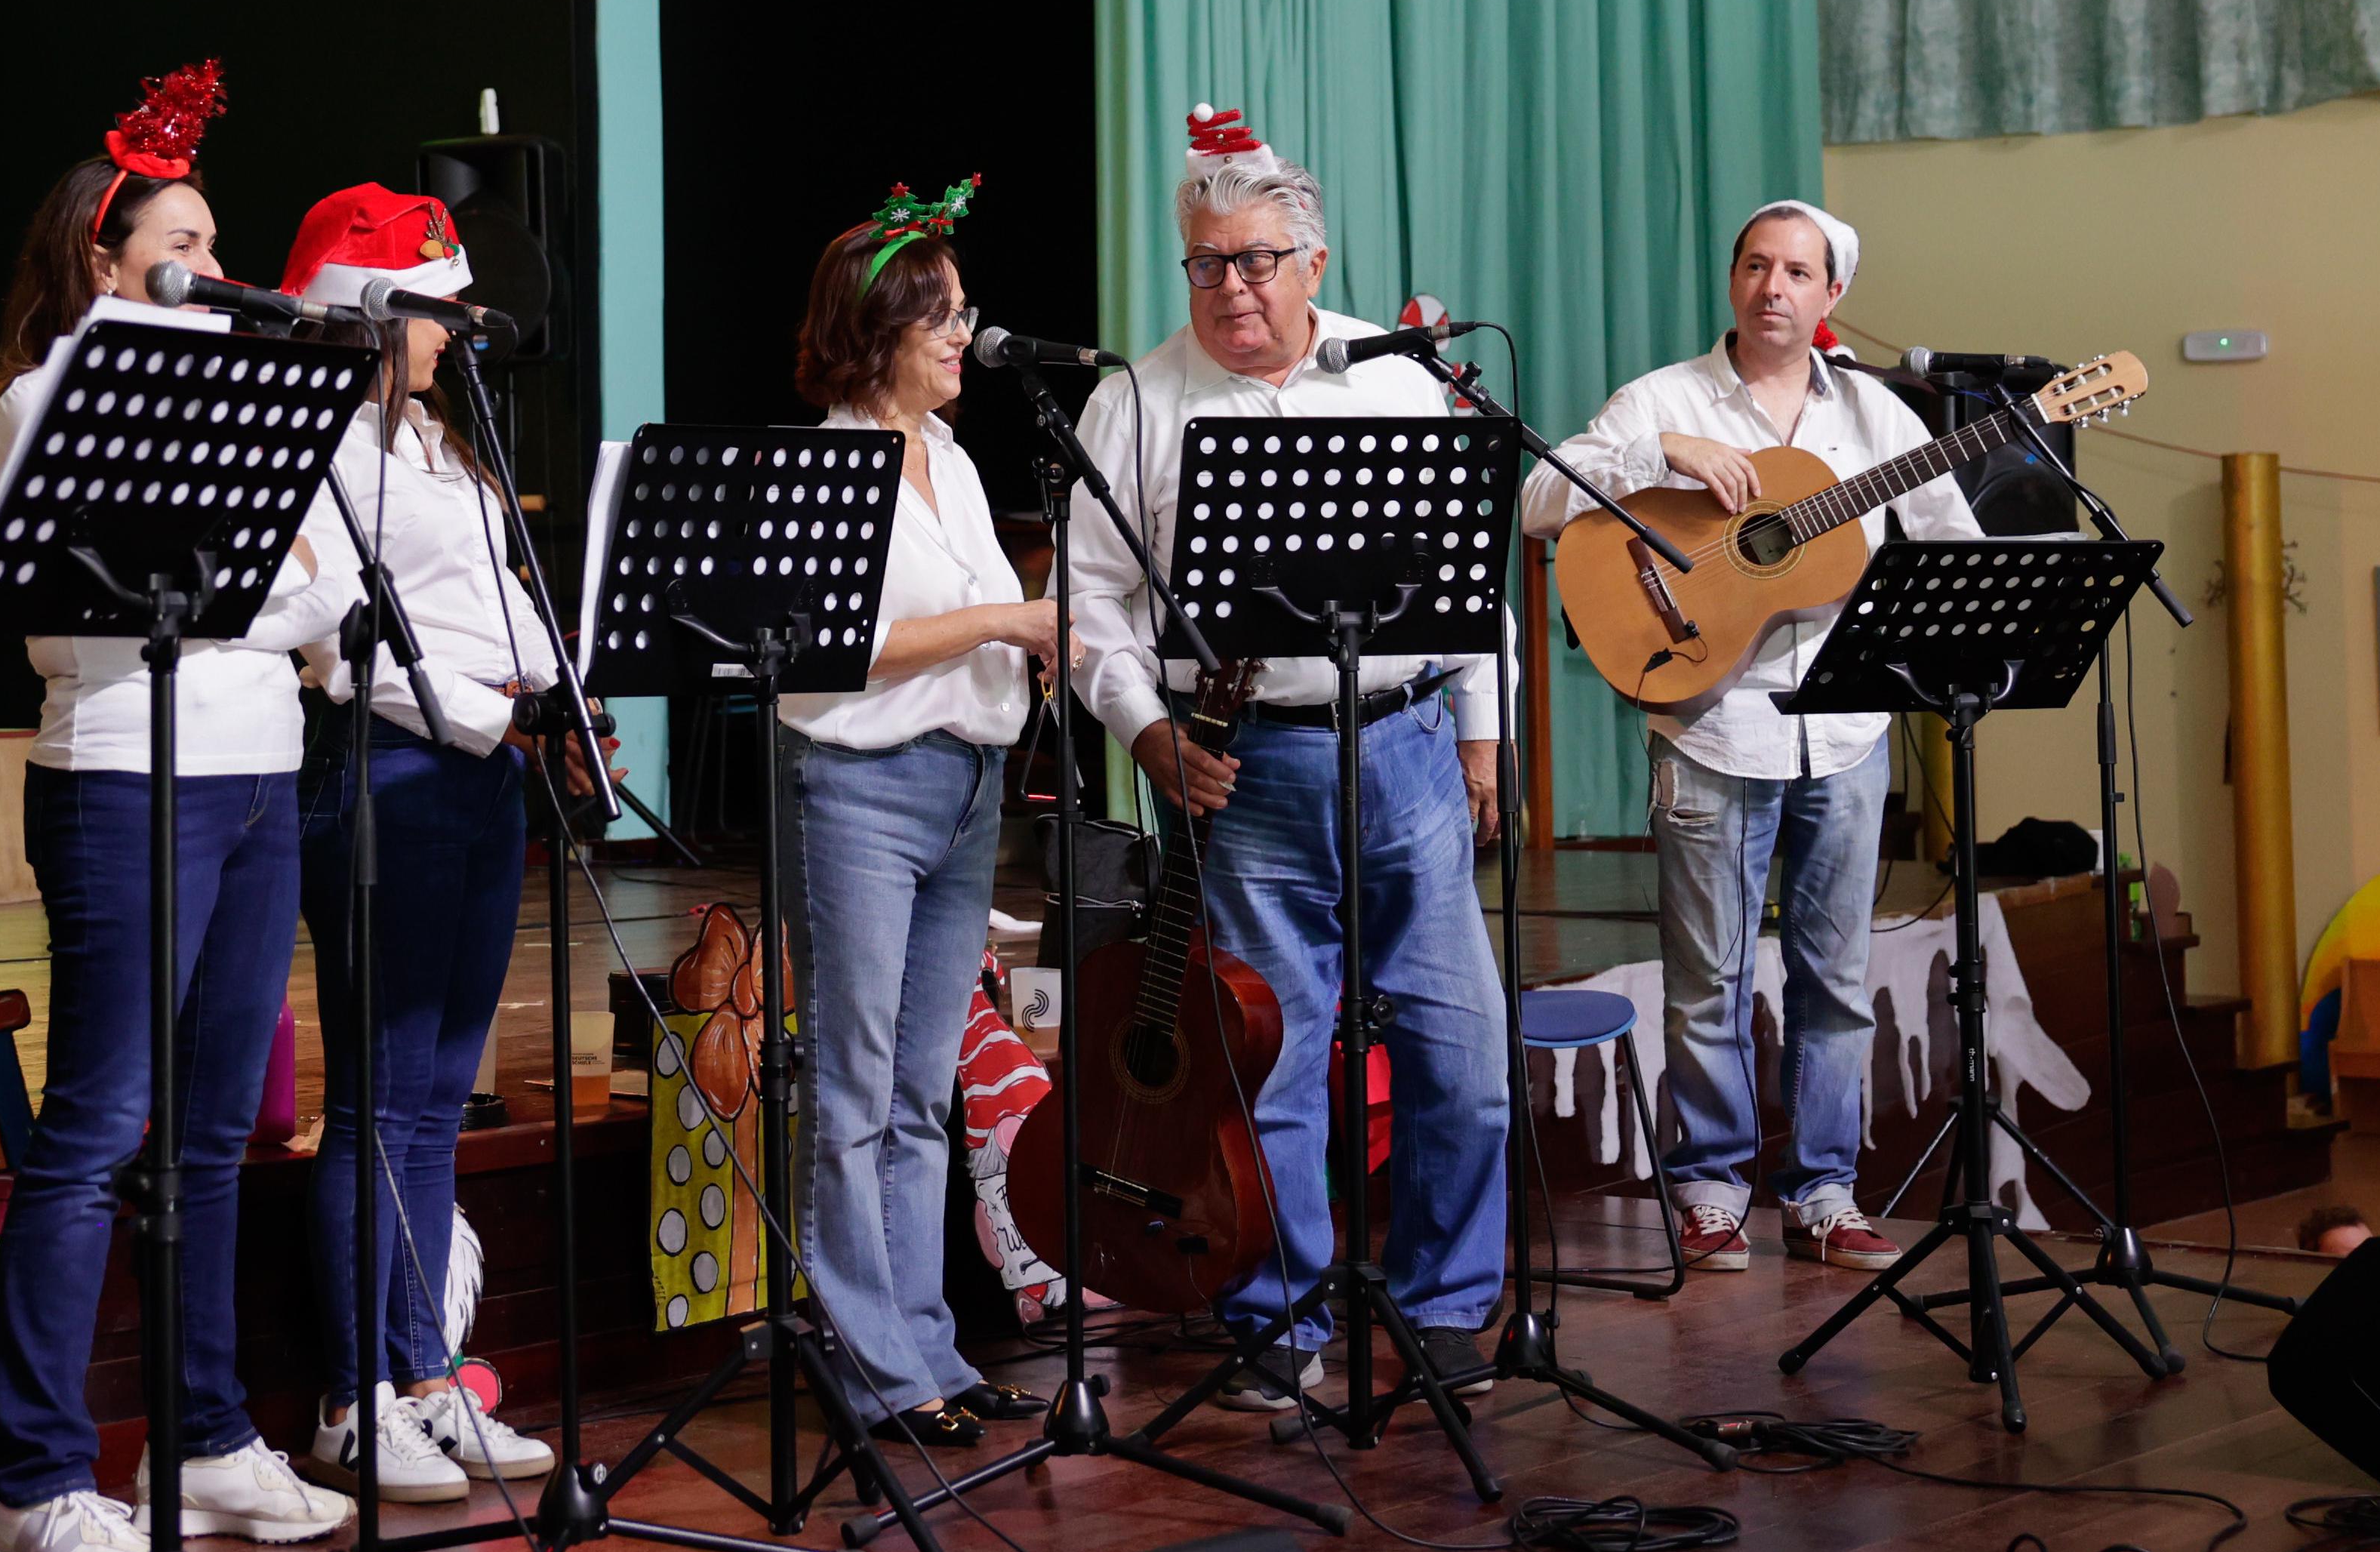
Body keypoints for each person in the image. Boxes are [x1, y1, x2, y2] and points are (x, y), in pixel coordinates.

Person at [0, 65, 357, 1552]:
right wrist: (264, 593)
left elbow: (318, 591)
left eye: (213, 235)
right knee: (96, 1130)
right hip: (129, 773)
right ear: (100, 256)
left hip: (262, 766)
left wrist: (263, 594)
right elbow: (91, 625)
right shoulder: (40, 402)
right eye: (177, 240)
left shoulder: (247, 389)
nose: (211, 262)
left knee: (210, 1131)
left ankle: (200, 1433)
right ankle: (35, 1478)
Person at [1064, 106, 1511, 1413]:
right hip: (1241, 771)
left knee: (1464, 1058)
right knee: (1263, 1067)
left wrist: (1481, 737)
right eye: (1205, 263)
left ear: (1313, 264)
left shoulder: (1396, 373)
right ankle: (1279, 1320)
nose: (1230, 288)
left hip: (1412, 751)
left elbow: (1466, 579)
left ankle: (1438, 1312)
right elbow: (1088, 609)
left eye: (1256, 261)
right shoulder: (1134, 401)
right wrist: (1146, 733)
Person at [1519, 201, 1977, 1276]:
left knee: (1834, 976)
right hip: (1708, 720)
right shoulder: (1663, 398)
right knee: (1705, 978)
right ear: (1732, 281)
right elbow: (1541, 497)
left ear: (1831, 297)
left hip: (1846, 731)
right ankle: (1710, 1190)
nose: (1773, 287)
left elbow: (1949, 542)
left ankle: (1824, 1191)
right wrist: (1658, 453)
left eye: (1797, 273)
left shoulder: (1874, 419)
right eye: (1755, 266)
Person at [278, 186, 571, 1505]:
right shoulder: (316, 443)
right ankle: (357, 1397)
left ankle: (423, 1367)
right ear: (365, 312)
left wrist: (550, 695)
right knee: (381, 1099)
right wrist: (475, 714)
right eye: (434, 312)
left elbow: (491, 597)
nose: (454, 335)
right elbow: (340, 638)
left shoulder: (439, 443)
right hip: (388, 771)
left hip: (476, 773)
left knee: (440, 1099)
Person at [779, 178, 1067, 1446]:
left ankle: (927, 1355)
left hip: (964, 787)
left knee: (919, 1093)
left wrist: (1030, 656)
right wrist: (1011, 621)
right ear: (878, 332)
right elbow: (834, 651)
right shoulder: (828, 464)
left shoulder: (946, 457)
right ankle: (869, 1368)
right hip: (859, 789)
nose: (963, 337)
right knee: (851, 1090)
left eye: (964, 314)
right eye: (940, 318)